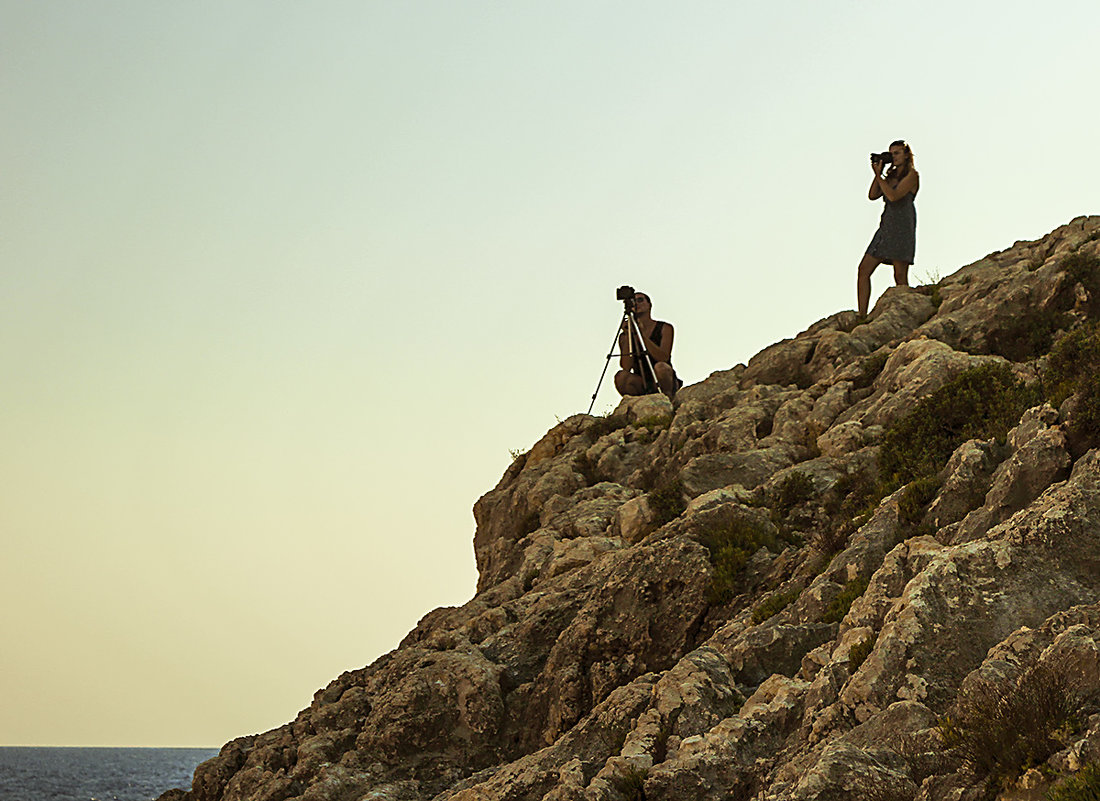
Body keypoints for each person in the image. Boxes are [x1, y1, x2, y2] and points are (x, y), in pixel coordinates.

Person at [857, 140, 920, 317]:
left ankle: (908, 312)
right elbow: (872, 195)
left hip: (902, 226)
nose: (893, 157)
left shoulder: (912, 175)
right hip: (886, 226)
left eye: (897, 153)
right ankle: (862, 315)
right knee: (863, 270)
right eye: (891, 153)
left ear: (906, 155)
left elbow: (893, 196)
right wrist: (879, 174)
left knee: (900, 275)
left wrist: (880, 177)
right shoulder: (889, 177)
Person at [614, 291, 681, 399]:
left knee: (661, 367)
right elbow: (626, 366)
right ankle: (636, 403)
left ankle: (668, 399)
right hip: (641, 380)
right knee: (621, 376)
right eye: (633, 301)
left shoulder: (665, 328)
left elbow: (663, 357)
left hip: (663, 378)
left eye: (640, 300)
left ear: (649, 305)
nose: (637, 304)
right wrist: (628, 336)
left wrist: (642, 337)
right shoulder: (625, 336)